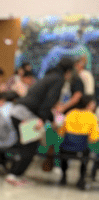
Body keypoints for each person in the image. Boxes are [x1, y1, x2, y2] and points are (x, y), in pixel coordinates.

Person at [6, 57, 81, 185]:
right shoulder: (59, 79)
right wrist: (42, 119)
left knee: (27, 146)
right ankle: (14, 176)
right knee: (29, 146)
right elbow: (48, 101)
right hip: (25, 114)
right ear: (68, 71)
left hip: (19, 111)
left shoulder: (50, 76)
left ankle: (16, 174)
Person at [58, 94, 99, 189]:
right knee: (87, 154)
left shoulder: (70, 113)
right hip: (82, 149)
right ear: (89, 104)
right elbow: (93, 139)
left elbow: (61, 132)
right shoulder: (92, 117)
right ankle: (81, 179)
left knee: (62, 151)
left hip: (66, 147)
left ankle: (63, 177)